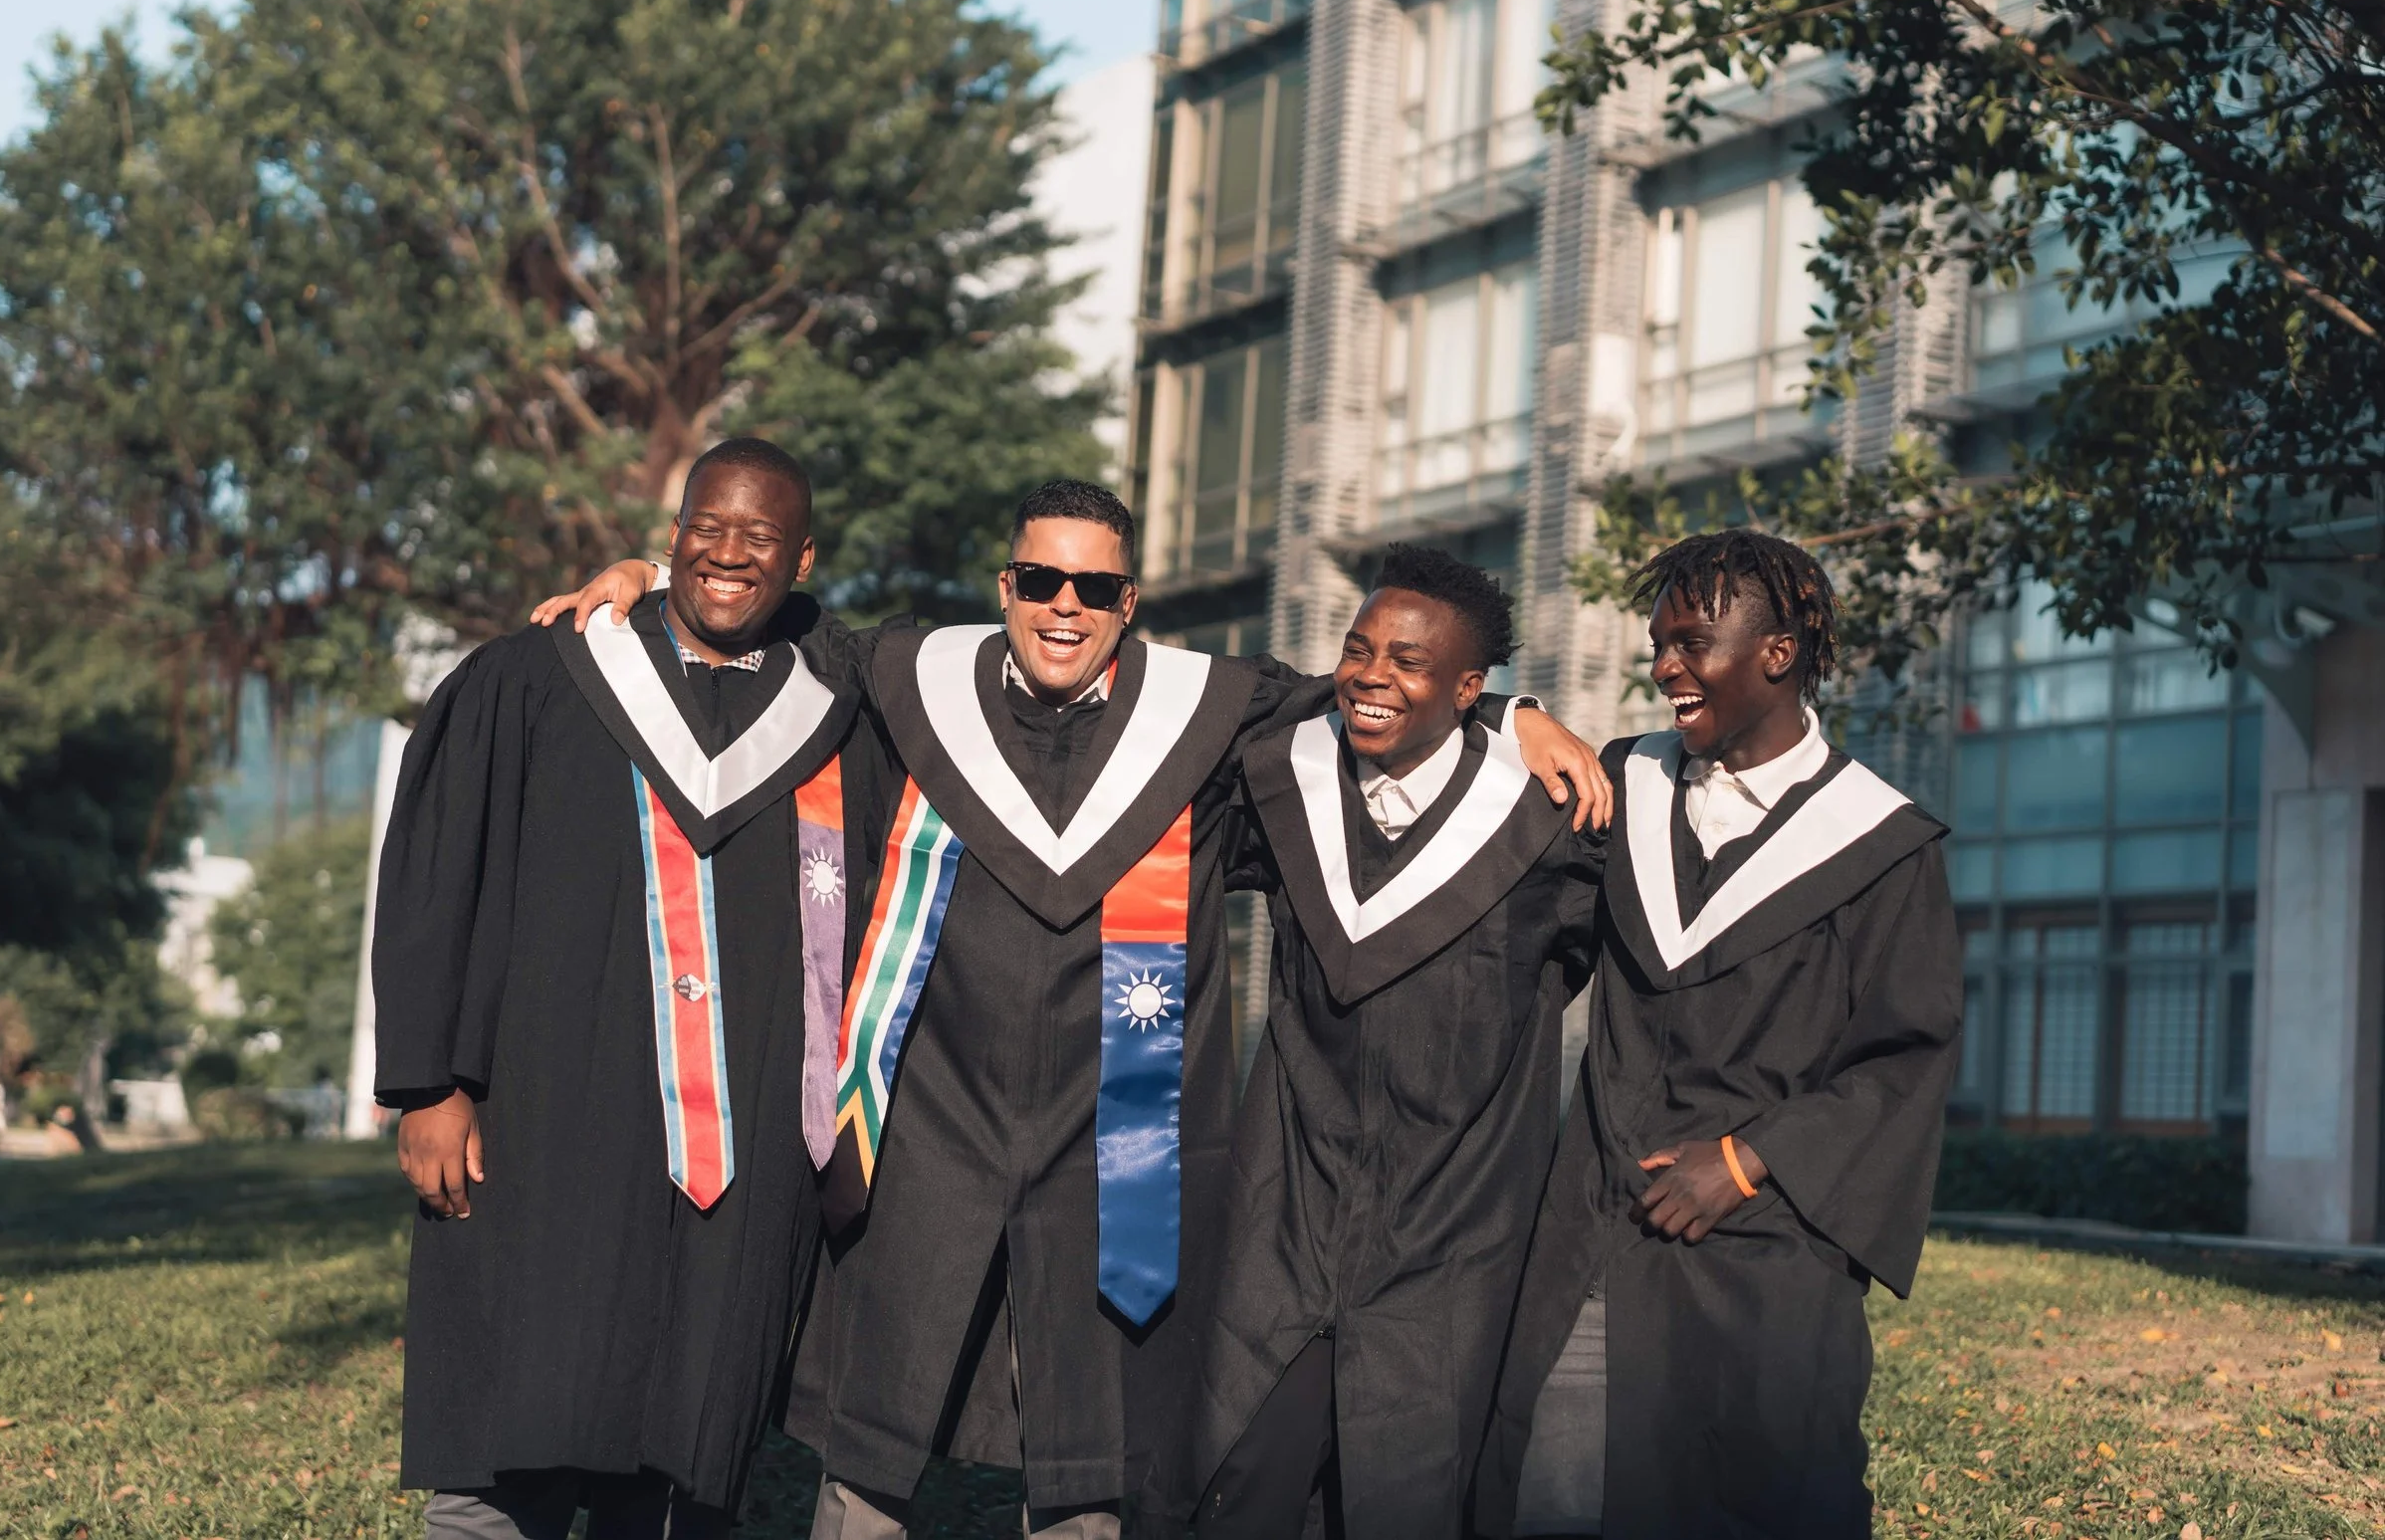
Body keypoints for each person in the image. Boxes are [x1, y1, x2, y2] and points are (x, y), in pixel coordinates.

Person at [537, 482, 1612, 1540]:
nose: (1065, 605)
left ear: (1128, 601)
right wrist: (644, 575)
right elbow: (782, 628)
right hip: (931, 1120)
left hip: (1115, 1138)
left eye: (1094, 586)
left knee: (1090, 1447)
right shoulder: (913, 675)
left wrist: (1515, 711)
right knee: (871, 1446)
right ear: (1005, 584)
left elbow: (1375, 694)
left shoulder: (1207, 709)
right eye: (1042, 578)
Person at [372, 439, 898, 1539]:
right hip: (544, 1122)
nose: (728, 552)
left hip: (744, 1154)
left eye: (760, 537)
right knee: (516, 1413)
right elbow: (436, 877)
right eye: (708, 526)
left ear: (803, 560)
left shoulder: (844, 704)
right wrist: (428, 1084)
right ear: (669, 538)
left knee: (690, 1433)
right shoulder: (535, 676)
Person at [1473, 528, 1963, 1540]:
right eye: (1658, 644)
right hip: (1595, 1232)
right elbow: (1507, 942)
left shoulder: (1879, 844)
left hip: (1762, 1256)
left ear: (1776, 653)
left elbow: (1902, 1059)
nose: (1663, 668)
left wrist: (1746, 1160)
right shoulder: (1625, 788)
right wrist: (1503, 716)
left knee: (1750, 1498)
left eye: (1690, 642)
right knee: (1549, 1490)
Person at [1187, 546, 1605, 1539]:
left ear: (1468, 686)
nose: (1374, 674)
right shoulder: (1286, 787)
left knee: (1402, 1496)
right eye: (1358, 648)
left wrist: (1511, 719)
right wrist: (1513, 710)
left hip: (1450, 1233)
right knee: (1242, 1479)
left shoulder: (1549, 831)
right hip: (1286, 1210)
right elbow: (1249, 698)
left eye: (1411, 663)